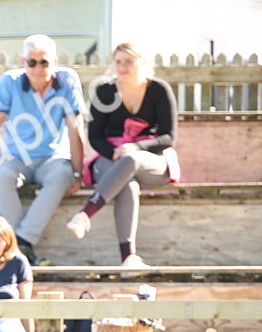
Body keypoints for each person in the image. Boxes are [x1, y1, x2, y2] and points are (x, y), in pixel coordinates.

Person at [67, 42, 179, 267]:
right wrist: (114, 153)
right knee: (128, 185)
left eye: (128, 62)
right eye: (118, 62)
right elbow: (95, 137)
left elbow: (169, 136)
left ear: (143, 63)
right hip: (111, 158)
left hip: (149, 159)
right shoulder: (104, 91)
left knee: (132, 159)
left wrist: (135, 148)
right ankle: (129, 257)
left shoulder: (159, 89)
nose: (122, 67)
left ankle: (86, 214)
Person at [0, 34, 85, 265]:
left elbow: (76, 130)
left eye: (44, 62)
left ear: (54, 62)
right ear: (22, 61)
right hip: (16, 157)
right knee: (0, 176)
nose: (38, 68)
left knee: (62, 176)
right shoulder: (9, 81)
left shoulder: (67, 80)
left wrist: (78, 173)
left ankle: (19, 243)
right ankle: (22, 248)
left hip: (53, 158)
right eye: (32, 62)